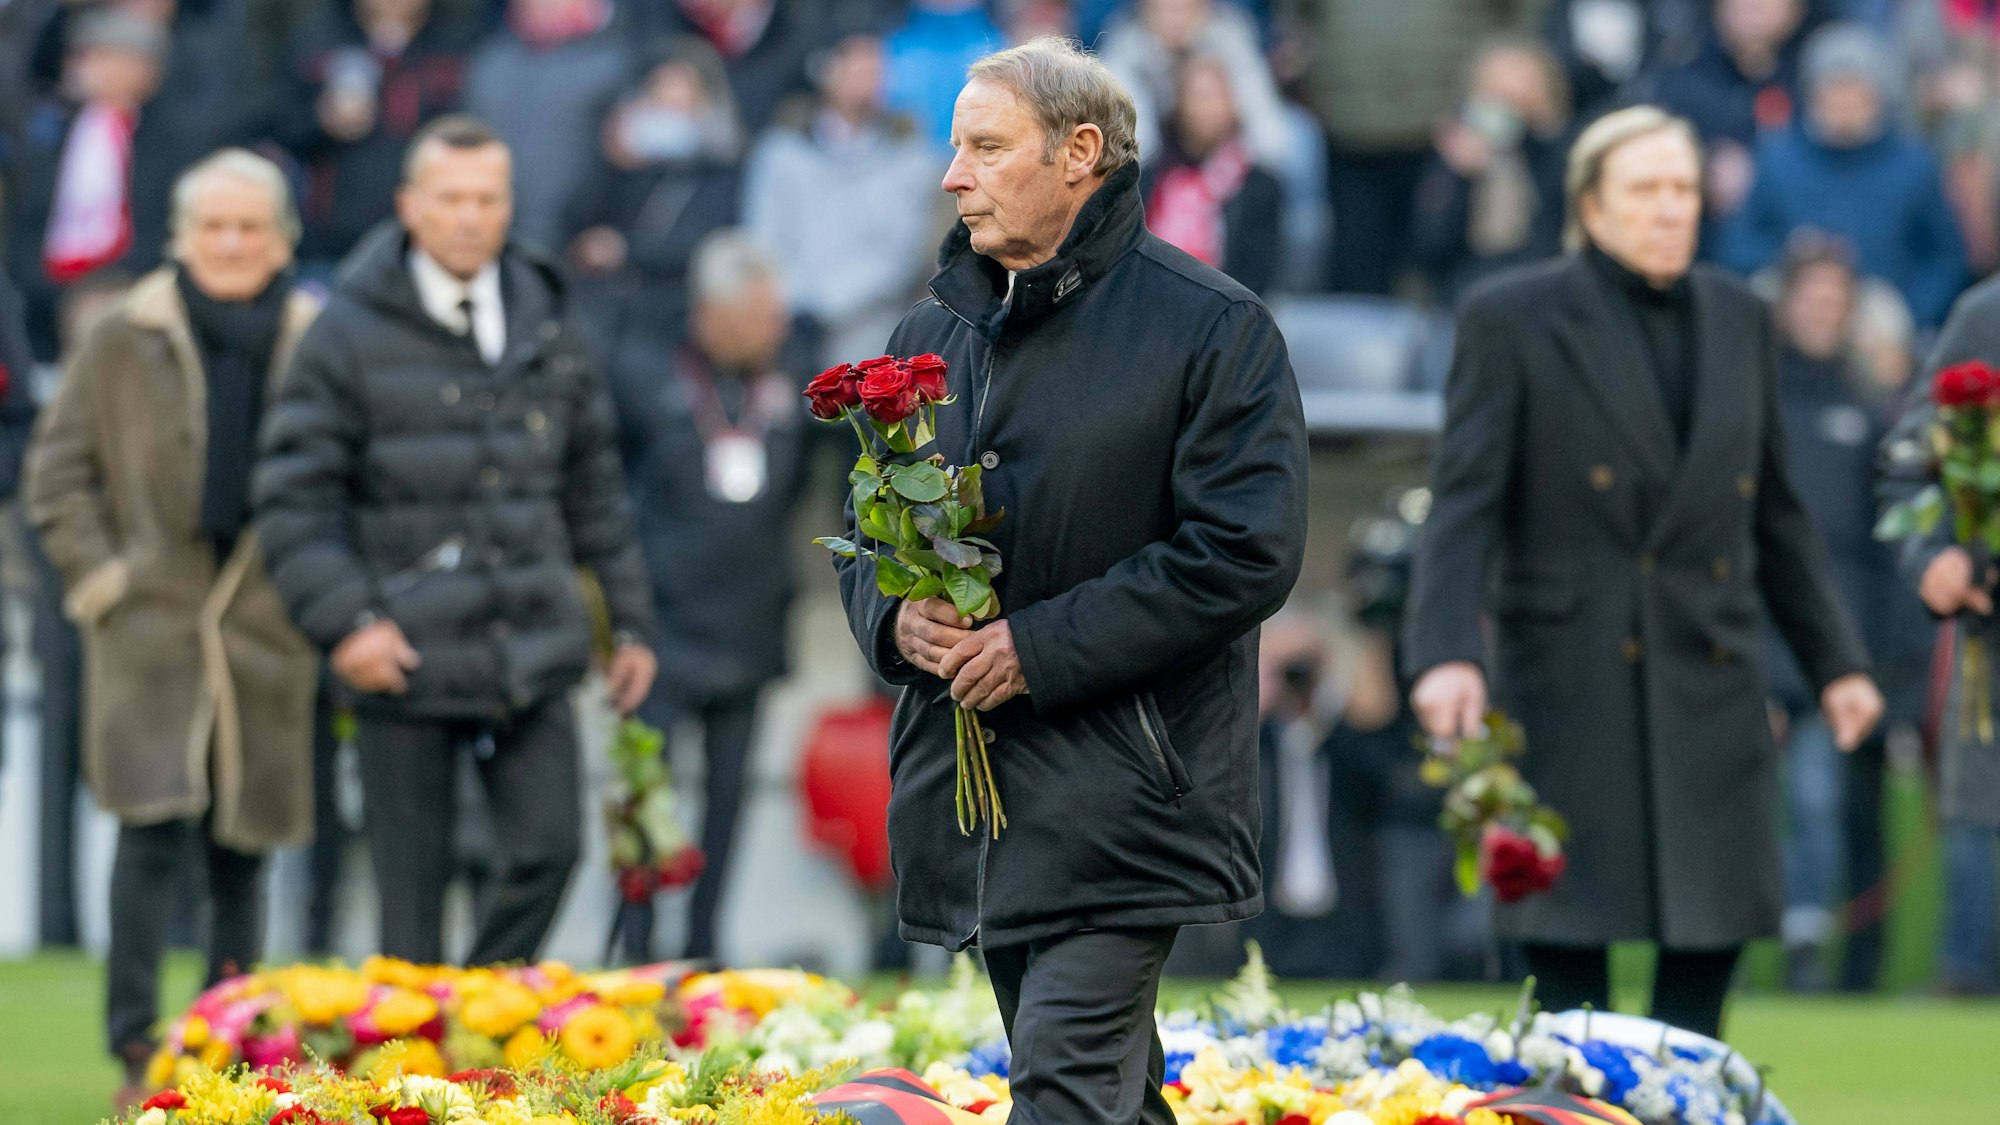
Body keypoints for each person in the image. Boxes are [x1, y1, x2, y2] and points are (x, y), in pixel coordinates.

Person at [833, 38, 1307, 1125]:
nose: (952, 175)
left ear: (1079, 152)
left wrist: (1034, 649)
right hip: (978, 810)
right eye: (955, 148)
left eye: (985, 148)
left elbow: (1245, 552)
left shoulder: (1214, 326)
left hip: (1128, 793)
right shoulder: (927, 333)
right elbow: (859, 535)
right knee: (1106, 1099)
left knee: (1061, 1093)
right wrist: (896, 621)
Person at [1404, 105, 1883, 1039]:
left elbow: (1775, 513)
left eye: (1685, 190)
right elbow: (1464, 505)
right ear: (1590, 203)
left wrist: (1840, 663)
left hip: (1712, 675)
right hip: (1567, 680)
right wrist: (1446, 651)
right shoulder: (1511, 316)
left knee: (1705, 969)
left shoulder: (1743, 316)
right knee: (1568, 982)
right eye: (1647, 190)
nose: (1672, 209)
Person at [254, 115, 659, 966]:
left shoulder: (548, 311)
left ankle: (472, 1017)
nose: (471, 217)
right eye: (452, 199)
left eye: (488, 199)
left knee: (553, 851)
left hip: (532, 640)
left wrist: (628, 622)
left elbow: (594, 484)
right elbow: (294, 502)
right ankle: (415, 1084)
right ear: (409, 205)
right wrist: (349, 622)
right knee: (410, 906)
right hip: (403, 651)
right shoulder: (343, 333)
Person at [25, 148, 322, 1107]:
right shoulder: (122, 334)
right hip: (146, 635)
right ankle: (133, 1052)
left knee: (245, 848)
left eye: (250, 227)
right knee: (147, 838)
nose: (232, 243)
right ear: (181, 237)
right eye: (214, 226)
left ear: (282, 238)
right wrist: (106, 582)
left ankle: (227, 1062)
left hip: (266, 635)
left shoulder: (319, 341)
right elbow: (55, 475)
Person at [611, 231, 812, 963]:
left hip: (752, 619)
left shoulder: (791, 377)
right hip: (661, 625)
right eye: (759, 314)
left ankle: (704, 945)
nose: (775, 327)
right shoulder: (641, 373)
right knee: (644, 798)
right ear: (712, 314)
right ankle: (635, 948)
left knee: (728, 802)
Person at [1761, 233, 1914, 991]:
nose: (1823, 310)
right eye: (1811, 296)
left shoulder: (1868, 406)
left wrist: (1886, 653)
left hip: (1839, 647)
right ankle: (1750, 939)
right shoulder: (1755, 399)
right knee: (1760, 803)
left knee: (1825, 803)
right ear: (1785, 305)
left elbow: (1888, 545)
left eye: (1835, 299)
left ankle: (1810, 947)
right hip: (1759, 641)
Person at [1878, 266, 2000, 995]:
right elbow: (1908, 466)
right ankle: (1967, 971)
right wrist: (1932, 556)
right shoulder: (1987, 316)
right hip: (1995, 629)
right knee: (1979, 817)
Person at [1720, 23, 1967, 327]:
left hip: (1878, 323)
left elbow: (1945, 258)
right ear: (1812, 94)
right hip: (1794, 319)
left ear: (1878, 96)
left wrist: (1910, 314)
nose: (1844, 101)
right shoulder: (1777, 159)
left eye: (1855, 89)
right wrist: (1789, 258)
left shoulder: (1915, 165)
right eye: (1833, 88)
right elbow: (1738, 246)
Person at [3, 9, 214, 362]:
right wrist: (60, 294)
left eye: (102, 55)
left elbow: (172, 235)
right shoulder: (47, 141)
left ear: (146, 69)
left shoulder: (175, 145)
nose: (82, 66)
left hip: (136, 300)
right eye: (81, 54)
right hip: (44, 305)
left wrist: (110, 288)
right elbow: (25, 234)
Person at [741, 32, 939, 368]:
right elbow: (763, 238)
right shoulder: (781, 152)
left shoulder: (909, 158)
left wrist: (833, 303)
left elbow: (904, 250)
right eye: (856, 67)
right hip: (789, 323)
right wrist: (801, 302)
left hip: (875, 324)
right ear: (826, 70)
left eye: (876, 69)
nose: (868, 81)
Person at [563, 37, 744, 373]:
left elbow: (705, 244)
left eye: (683, 99)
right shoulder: (629, 167)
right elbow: (574, 218)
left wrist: (625, 251)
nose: (669, 109)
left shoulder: (721, 172)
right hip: (612, 314)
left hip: (677, 320)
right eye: (659, 97)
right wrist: (612, 162)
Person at [272, 0, 477, 272]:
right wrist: (322, 120)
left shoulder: (456, 48)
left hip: (421, 244)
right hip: (331, 243)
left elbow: (467, 143)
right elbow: (277, 126)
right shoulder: (320, 42)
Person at [464, 0, 637, 254]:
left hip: (578, 240)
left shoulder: (619, 61)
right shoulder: (490, 60)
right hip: (489, 229)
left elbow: (628, 156)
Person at [1412, 36, 1575, 304]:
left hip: (1544, 295)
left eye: (1521, 95)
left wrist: (1538, 139)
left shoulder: (1563, 154)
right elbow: (1428, 249)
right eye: (1495, 93)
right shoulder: (1455, 155)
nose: (1508, 106)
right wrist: (1458, 177)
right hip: (1469, 294)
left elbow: (1561, 242)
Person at [1140, 52, 1285, 297]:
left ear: (1233, 103)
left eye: (1215, 95)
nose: (1207, 108)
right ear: (1178, 103)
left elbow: (1257, 276)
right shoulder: (1147, 181)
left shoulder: (1259, 186)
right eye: (1198, 96)